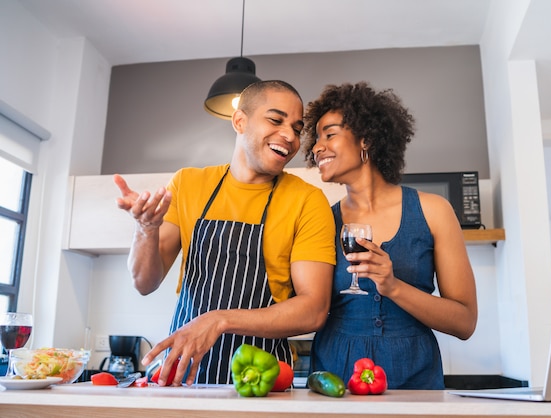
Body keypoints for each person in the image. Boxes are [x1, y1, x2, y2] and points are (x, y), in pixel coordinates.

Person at [113, 80, 336, 386]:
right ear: (239, 121)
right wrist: (146, 230)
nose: (289, 136)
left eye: (297, 129)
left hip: (262, 382)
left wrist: (219, 320)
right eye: (275, 120)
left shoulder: (307, 201)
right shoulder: (188, 184)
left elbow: (313, 311)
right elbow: (143, 282)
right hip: (182, 377)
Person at [302, 81, 478, 389]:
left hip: (414, 374)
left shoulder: (434, 211)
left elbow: (465, 322)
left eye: (329, 134)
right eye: (315, 139)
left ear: (366, 139)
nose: (317, 147)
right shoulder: (321, 220)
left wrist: (393, 287)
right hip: (335, 373)